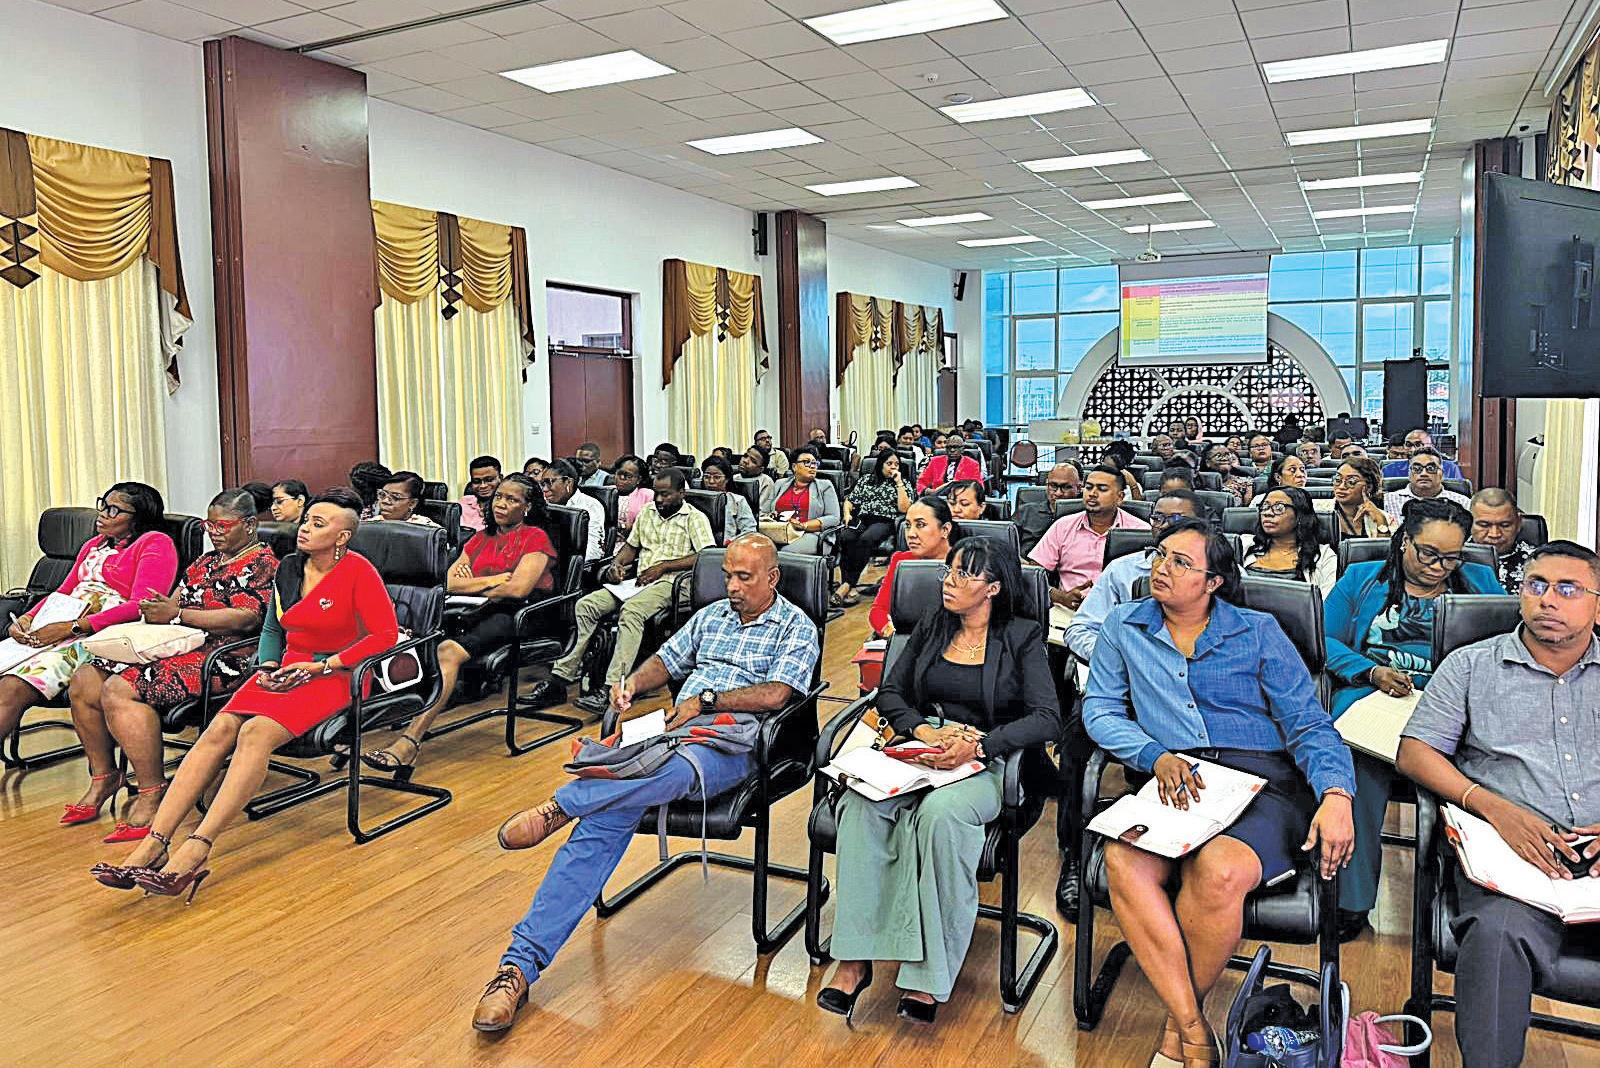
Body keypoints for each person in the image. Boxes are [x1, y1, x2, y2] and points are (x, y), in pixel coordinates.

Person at [474, 534, 818, 1033]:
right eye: (727, 576)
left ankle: (563, 805)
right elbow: (667, 660)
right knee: (607, 816)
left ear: (773, 577)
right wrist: (633, 683)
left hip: (738, 740)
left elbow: (777, 695)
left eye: (744, 577)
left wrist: (706, 702)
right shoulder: (711, 616)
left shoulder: (795, 626)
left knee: (667, 773)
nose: (732, 587)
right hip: (674, 728)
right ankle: (517, 968)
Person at [1083, 520, 1355, 1067]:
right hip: (1175, 774)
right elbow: (1101, 710)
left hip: (1261, 780)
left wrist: (1337, 794)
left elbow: (1308, 724)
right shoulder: (1123, 626)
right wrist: (1152, 755)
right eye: (1161, 555)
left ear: (1214, 582)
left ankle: (1174, 1036)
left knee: (1220, 871)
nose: (1162, 567)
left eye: (1181, 562)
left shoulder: (1258, 631)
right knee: (1122, 857)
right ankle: (1192, 1026)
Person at [92, 489, 396, 900]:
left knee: (255, 733)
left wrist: (323, 666)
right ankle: (155, 842)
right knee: (217, 731)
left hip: (337, 672)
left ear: (342, 537)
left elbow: (384, 635)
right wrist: (267, 666)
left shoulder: (359, 571)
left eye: (318, 524)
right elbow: (272, 629)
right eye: (306, 520)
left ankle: (198, 847)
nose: (305, 528)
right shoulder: (290, 568)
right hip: (285, 668)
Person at [818, 538, 1061, 1024]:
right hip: (922, 746)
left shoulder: (1022, 635)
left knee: (939, 817)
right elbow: (889, 693)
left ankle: (927, 975)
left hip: (988, 759)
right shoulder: (932, 624)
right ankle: (855, 958)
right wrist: (924, 732)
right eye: (949, 571)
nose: (948, 582)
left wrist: (980, 746)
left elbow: (1047, 718)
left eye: (963, 574)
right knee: (861, 805)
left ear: (993, 588)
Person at [1395, 541, 1600, 1068]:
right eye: (1536, 585)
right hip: (1512, 860)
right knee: (1497, 934)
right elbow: (1415, 751)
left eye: (1568, 589)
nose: (1547, 599)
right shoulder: (1471, 666)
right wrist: (1490, 806)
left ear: (1598, 606)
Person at [1324, 498, 1504, 940]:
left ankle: (1469, 899)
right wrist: (1370, 671)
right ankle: (1352, 901)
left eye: (1451, 558)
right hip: (1373, 697)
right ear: (1404, 540)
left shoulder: (1479, 582)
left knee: (1486, 771)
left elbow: (1503, 646)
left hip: (1452, 708)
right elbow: (1321, 637)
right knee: (1355, 769)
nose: (1439, 567)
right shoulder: (1363, 578)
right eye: (1429, 554)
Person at [65, 489, 277, 840]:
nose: (214, 532)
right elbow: (174, 600)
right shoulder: (205, 562)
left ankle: (152, 792)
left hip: (224, 655)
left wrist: (178, 615)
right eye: (209, 524)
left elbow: (247, 618)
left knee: (119, 690)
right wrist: (157, 608)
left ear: (251, 525)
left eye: (223, 526)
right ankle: (104, 777)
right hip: (178, 642)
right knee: (86, 678)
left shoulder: (263, 563)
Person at [360, 474, 556, 772]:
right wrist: (493, 581)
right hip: (469, 608)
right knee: (411, 641)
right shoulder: (481, 537)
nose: (501, 504)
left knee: (447, 652)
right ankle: (382, 717)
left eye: (512, 499)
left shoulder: (535, 537)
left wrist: (476, 583)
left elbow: (518, 590)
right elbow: (450, 582)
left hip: (519, 614)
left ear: (527, 507)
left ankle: (409, 742)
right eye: (499, 497)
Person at [0, 483, 179, 765]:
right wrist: (27, 618)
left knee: (12, 687)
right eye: (103, 505)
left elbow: (140, 606)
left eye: (114, 510)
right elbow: (63, 590)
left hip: (100, 633)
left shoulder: (155, 543)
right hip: (59, 623)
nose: (102, 514)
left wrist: (73, 627)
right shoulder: (94, 545)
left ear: (138, 518)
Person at [525, 469, 714, 716]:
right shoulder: (648, 512)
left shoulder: (695, 518)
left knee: (631, 611)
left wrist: (664, 566)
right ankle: (560, 678)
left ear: (681, 493)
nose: (659, 499)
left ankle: (612, 687)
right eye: (656, 493)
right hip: (640, 581)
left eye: (666, 494)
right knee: (586, 605)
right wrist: (617, 564)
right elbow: (631, 547)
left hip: (672, 583)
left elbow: (705, 556)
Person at [1063, 490, 1204, 663]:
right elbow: (1081, 630)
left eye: (1176, 519)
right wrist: (1118, 661)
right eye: (1157, 518)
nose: (1164, 526)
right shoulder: (1122, 570)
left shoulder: (1218, 572)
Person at [1029, 465, 1150, 611]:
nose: (1092, 494)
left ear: (1120, 497)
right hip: (1069, 611)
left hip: (1125, 613)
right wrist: (1061, 597)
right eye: (1089, 487)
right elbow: (1033, 575)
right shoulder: (1063, 526)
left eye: (1102, 489)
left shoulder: (1141, 531)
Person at [869, 496, 958, 636]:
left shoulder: (965, 563)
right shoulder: (901, 560)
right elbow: (878, 610)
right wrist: (891, 633)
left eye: (920, 525)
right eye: (908, 525)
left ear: (945, 529)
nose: (910, 534)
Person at [834, 447, 911, 606]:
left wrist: (898, 483)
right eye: (889, 463)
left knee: (866, 539)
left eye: (896, 464)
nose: (893, 467)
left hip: (885, 520)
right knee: (846, 537)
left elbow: (904, 509)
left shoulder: (903, 483)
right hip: (862, 518)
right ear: (881, 464)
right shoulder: (866, 479)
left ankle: (847, 585)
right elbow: (850, 500)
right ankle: (849, 586)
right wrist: (847, 514)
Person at [1241, 487, 1336, 595]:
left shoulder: (1323, 557)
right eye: (1265, 507)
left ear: (1299, 515)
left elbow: (1326, 601)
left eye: (1279, 507)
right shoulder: (1243, 545)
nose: (1268, 513)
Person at [767, 447, 840, 557]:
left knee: (781, 554)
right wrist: (772, 516)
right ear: (794, 467)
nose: (812, 466)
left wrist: (804, 525)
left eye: (815, 463)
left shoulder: (825, 486)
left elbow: (834, 518)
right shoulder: (779, 484)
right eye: (807, 462)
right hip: (778, 532)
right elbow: (766, 510)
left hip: (812, 534)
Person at [1470, 488, 1536, 593]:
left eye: (1505, 525)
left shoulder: (1537, 561)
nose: (1494, 534)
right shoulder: (1453, 558)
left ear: (1518, 523)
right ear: (1470, 522)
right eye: (1484, 525)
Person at [539, 459, 605, 562]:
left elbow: (594, 550)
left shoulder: (590, 505)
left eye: (549, 482)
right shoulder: (544, 504)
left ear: (568, 482)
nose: (544, 489)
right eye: (543, 484)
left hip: (574, 567)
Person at [1382, 446, 1470, 520]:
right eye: (1417, 468)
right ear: (1409, 474)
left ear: (1442, 474)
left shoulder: (1463, 503)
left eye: (1431, 468)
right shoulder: (1387, 501)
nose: (1424, 473)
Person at [1013, 463, 1081, 555]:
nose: (1058, 493)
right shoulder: (1026, 511)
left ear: (1079, 488)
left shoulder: (1085, 517)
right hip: (1025, 562)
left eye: (1065, 487)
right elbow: (1006, 544)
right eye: (1053, 486)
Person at [698, 456, 757, 544]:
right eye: (706, 477)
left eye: (717, 477)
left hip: (729, 547)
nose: (711, 481)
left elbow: (750, 531)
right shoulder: (695, 499)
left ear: (727, 479)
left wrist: (732, 541)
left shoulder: (737, 501)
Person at [1330, 456, 1393, 539]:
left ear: (1369, 487)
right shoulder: (1319, 511)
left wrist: (1381, 522)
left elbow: (1385, 547)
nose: (1341, 486)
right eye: (1338, 479)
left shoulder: (1385, 518)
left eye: (1351, 482)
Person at [916, 431, 982, 494]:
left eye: (955, 447)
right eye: (949, 447)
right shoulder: (935, 461)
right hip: (937, 497)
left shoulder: (972, 464)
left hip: (961, 497)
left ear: (962, 449)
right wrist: (928, 491)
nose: (952, 450)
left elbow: (978, 487)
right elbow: (921, 482)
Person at [1381, 428, 1463, 479]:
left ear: (1431, 446)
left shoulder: (1451, 468)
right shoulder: (1389, 470)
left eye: (1418, 444)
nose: (1412, 449)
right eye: (1408, 445)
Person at [375, 471, 439, 527]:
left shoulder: (427, 531)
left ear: (412, 503)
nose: (385, 501)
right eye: (382, 494)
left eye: (395, 497)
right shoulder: (373, 523)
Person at [611, 455, 655, 532]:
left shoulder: (647, 495)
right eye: (619, 474)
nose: (622, 478)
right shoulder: (607, 491)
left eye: (628, 476)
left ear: (639, 479)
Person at [460, 455, 502, 533]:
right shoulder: (464, 502)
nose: (483, 486)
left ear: (500, 478)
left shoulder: (507, 507)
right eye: (477, 481)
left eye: (489, 480)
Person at [738, 446, 778, 516]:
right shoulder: (733, 478)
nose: (745, 461)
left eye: (753, 461)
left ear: (761, 469)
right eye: (745, 456)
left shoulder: (766, 482)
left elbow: (759, 511)